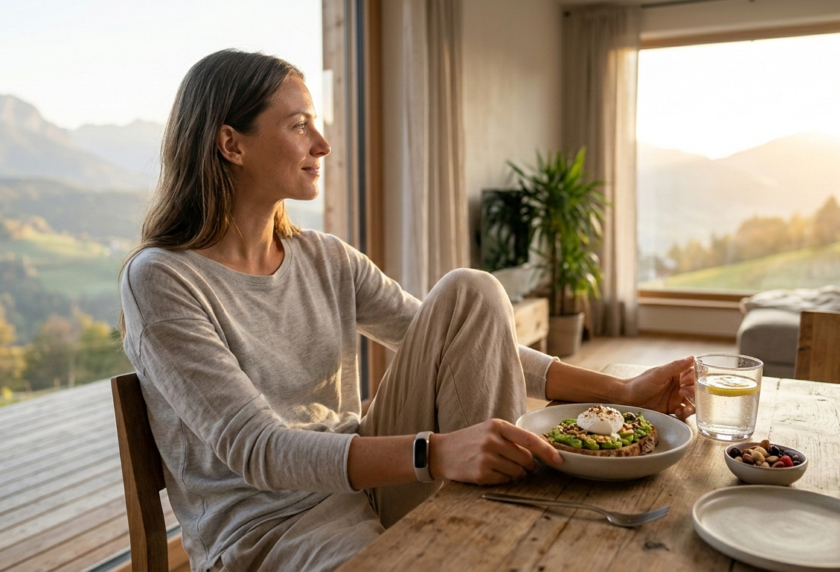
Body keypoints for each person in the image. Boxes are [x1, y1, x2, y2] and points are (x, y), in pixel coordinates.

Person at [119, 49, 696, 572]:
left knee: (471, 291)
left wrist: (616, 393)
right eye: (299, 126)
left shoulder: (323, 257)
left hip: (370, 484)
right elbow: (260, 452)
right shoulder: (164, 280)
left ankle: (490, 516)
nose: (321, 144)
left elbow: (468, 337)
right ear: (231, 144)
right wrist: (437, 452)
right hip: (271, 531)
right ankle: (488, 535)